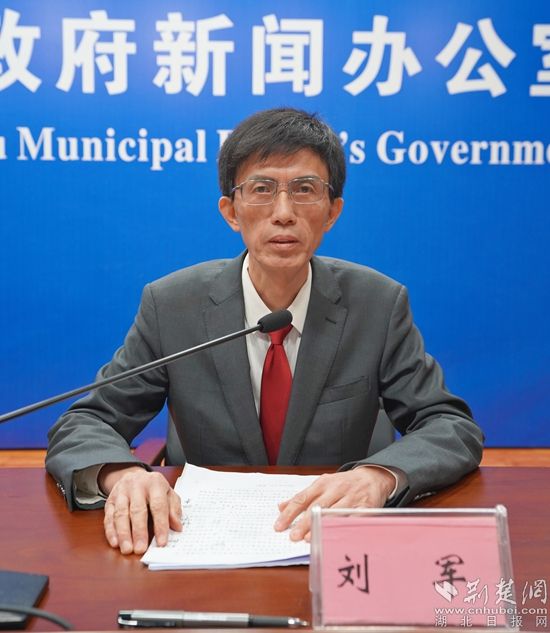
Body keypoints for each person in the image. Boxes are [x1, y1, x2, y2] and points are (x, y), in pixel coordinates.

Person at [46, 107, 483, 556]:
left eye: (305, 190)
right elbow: (87, 422)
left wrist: (378, 477)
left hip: (329, 539)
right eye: (262, 189)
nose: (283, 213)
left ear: (332, 212)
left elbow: (449, 426)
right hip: (201, 542)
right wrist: (123, 475)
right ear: (231, 212)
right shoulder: (173, 306)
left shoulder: (376, 305)